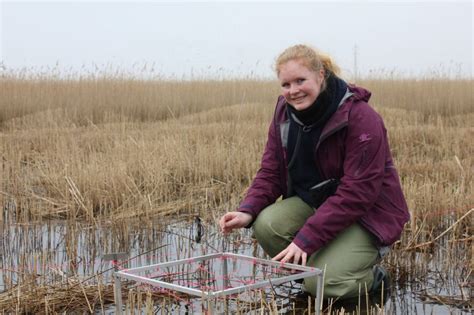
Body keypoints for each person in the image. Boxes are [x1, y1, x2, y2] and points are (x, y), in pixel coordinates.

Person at [219, 44, 410, 300]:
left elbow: (358, 193)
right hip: (319, 202)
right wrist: (247, 210)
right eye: (286, 84)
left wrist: (306, 239)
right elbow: (272, 170)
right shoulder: (283, 113)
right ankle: (316, 275)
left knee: (328, 283)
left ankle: (371, 280)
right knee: (267, 224)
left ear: (321, 75)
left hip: (368, 213)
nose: (293, 91)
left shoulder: (362, 118)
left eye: (300, 80)